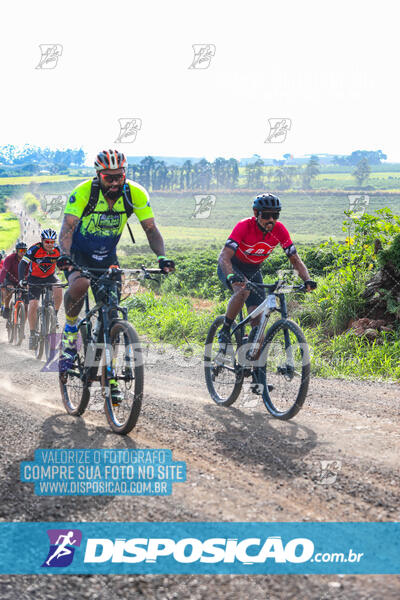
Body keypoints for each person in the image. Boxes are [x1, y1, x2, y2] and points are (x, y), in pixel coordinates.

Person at [57, 149, 175, 401]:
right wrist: (64, 255)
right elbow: (67, 228)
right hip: (78, 253)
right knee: (80, 284)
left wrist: (161, 257)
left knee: (111, 315)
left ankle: (108, 377)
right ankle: (68, 334)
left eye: (118, 177)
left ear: (125, 174)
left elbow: (151, 230)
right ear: (98, 175)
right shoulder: (84, 192)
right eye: (108, 177)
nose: (113, 182)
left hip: (107, 257)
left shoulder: (135, 193)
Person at [217, 193, 316, 350]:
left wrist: (307, 280)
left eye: (275, 215)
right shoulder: (244, 226)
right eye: (267, 215)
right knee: (242, 292)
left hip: (253, 271)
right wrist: (231, 275)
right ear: (256, 213)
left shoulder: (279, 230)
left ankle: (255, 367)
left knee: (258, 324)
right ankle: (225, 330)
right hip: (232, 266)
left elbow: (295, 259)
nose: (271, 220)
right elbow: (224, 256)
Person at [18, 229, 62, 349]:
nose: (50, 244)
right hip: (35, 278)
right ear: (42, 241)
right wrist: (22, 279)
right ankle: (32, 334)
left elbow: (65, 262)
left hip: (50, 276)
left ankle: (55, 316)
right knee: (33, 305)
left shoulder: (58, 250)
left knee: (59, 287)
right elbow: (22, 263)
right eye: (47, 241)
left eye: (52, 242)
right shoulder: (35, 249)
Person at [0, 242, 28, 319]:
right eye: (21, 250)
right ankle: (6, 307)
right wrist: (1, 282)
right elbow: (4, 271)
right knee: (9, 290)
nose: (23, 252)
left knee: (26, 305)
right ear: (17, 251)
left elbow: (31, 272)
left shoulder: (28, 260)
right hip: (10, 280)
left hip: (22, 281)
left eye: (25, 251)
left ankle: (22, 326)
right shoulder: (9, 258)